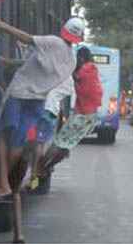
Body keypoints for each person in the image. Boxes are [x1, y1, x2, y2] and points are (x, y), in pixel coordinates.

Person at [0, 16, 83, 199]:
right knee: (18, 142)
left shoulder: (53, 42)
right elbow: (35, 63)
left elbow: (27, 38)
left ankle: (3, 183)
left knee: (2, 135)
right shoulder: (71, 60)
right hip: (38, 102)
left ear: (64, 30)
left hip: (19, 95)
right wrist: (10, 62)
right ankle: (6, 183)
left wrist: (1, 25)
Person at [38, 46, 103, 174]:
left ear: (81, 58)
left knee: (59, 142)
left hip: (82, 116)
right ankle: (47, 166)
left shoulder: (86, 69)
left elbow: (75, 75)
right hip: (90, 116)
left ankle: (41, 166)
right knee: (67, 145)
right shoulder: (92, 69)